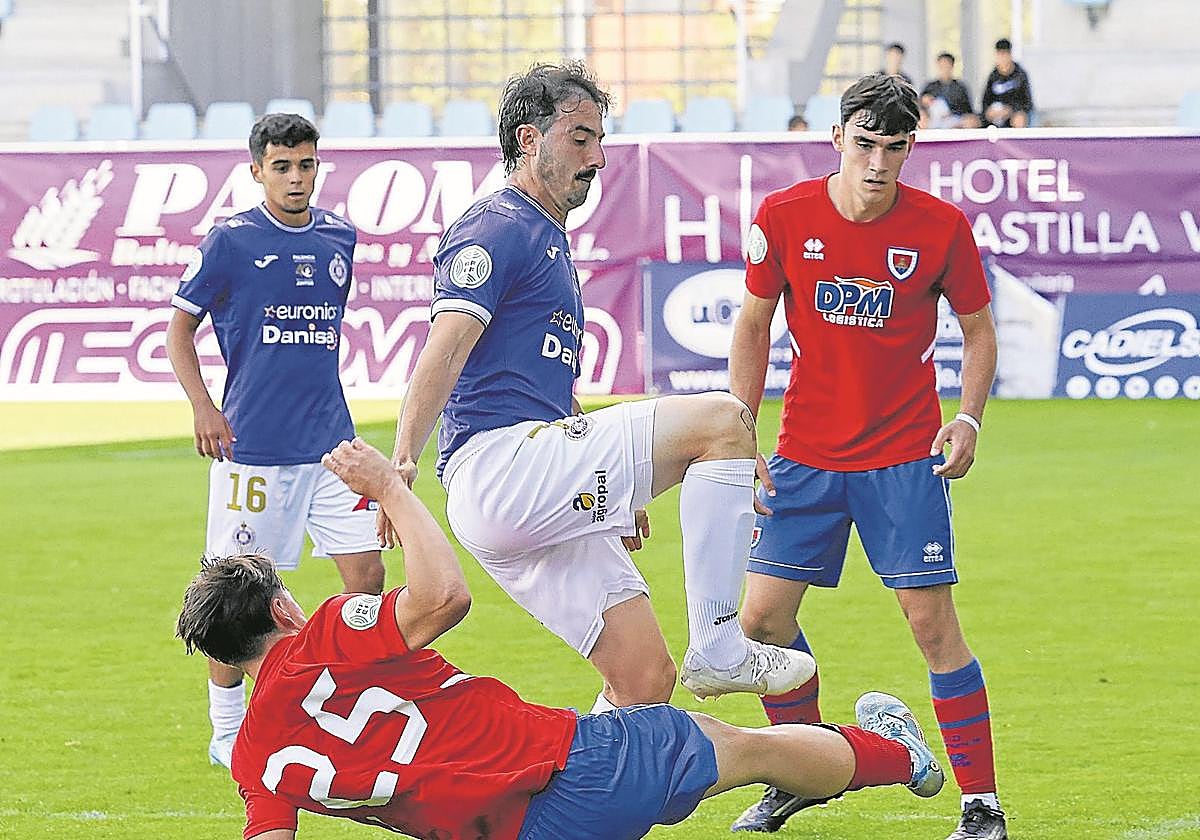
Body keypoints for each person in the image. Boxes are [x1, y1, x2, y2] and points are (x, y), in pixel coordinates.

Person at [175, 436, 947, 840]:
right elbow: (443, 595)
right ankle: (898, 752)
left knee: (654, 720)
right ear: (281, 612)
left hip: (502, 828)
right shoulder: (328, 634)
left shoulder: (253, 758)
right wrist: (389, 488)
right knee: (737, 746)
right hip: (568, 780)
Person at [382, 60, 812, 712]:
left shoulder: (542, 236)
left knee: (643, 681)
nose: (600, 158)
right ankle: (721, 645)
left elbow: (542, 390)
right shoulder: (498, 226)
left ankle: (569, 810)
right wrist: (401, 464)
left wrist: (601, 492)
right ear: (529, 141)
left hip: (522, 487)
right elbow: (443, 352)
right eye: (581, 139)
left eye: (601, 140)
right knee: (725, 422)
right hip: (501, 469)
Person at [726, 74, 1006, 840]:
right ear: (838, 139)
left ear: (912, 146)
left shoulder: (942, 226)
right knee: (760, 621)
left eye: (896, 146)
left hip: (902, 460)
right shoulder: (784, 217)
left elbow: (979, 333)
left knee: (930, 624)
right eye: (866, 143)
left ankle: (981, 804)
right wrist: (739, 430)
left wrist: (969, 419)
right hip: (804, 456)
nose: (879, 162)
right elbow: (752, 327)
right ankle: (806, 772)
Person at [166, 112, 385, 770]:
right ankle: (227, 728)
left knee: (367, 577)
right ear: (257, 170)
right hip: (253, 450)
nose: (296, 177)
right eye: (282, 166)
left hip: (330, 446)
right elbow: (179, 329)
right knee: (237, 597)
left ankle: (348, 702)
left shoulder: (340, 238)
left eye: (307, 164)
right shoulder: (231, 242)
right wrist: (204, 406)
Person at [981, 38, 1034, 127]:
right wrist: (989, 111)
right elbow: (986, 101)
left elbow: (1027, 103)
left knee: (1019, 119)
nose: (1002, 59)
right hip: (997, 114)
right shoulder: (993, 76)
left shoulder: (1020, 75)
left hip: (1014, 113)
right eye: (999, 55)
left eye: (1004, 54)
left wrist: (1011, 110)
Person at [921, 52, 980, 128]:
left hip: (955, 120)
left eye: (946, 65)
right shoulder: (930, 87)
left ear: (952, 66)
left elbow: (967, 110)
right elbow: (921, 106)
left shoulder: (960, 87)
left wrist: (950, 113)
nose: (944, 69)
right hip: (933, 120)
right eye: (941, 66)